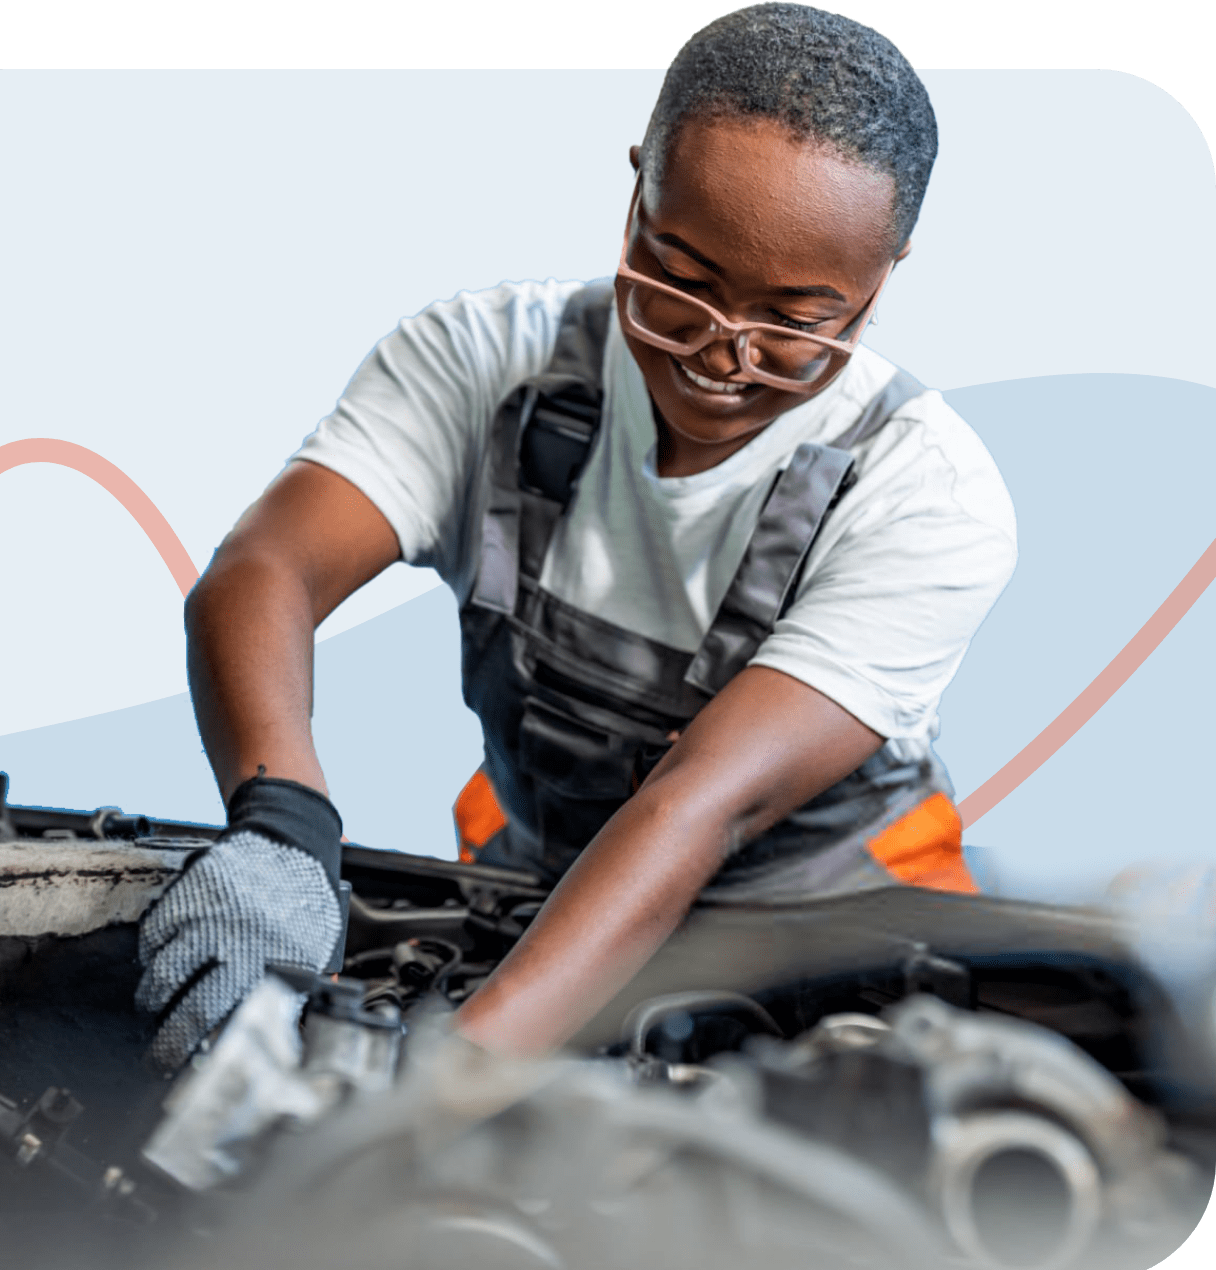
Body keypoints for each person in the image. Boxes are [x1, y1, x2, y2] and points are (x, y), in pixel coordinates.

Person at [135, 3, 1017, 1071]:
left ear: (883, 280)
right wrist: (282, 828)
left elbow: (708, 801)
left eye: (793, 321)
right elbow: (265, 569)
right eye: (679, 281)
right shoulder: (480, 365)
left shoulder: (923, 493)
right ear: (638, 183)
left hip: (846, 948)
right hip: (553, 904)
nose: (720, 356)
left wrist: (449, 1080)